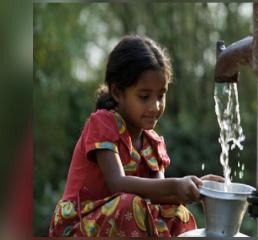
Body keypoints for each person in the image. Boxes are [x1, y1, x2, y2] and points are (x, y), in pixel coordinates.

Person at [49, 35, 223, 237]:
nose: (155, 106)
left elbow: (161, 195)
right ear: (117, 92)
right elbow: (117, 183)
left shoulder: (153, 143)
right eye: (144, 96)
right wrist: (177, 184)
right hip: (78, 226)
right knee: (130, 204)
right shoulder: (103, 124)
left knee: (176, 213)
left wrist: (199, 188)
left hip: (124, 222)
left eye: (161, 95)